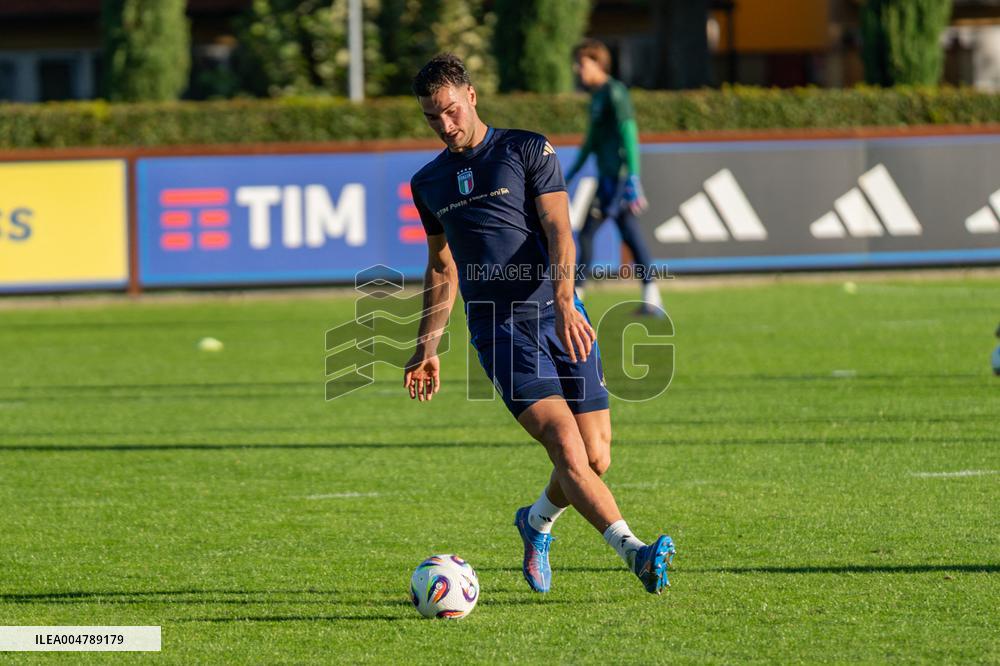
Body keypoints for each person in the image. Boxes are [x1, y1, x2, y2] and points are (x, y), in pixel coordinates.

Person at [403, 53, 674, 595]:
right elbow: (441, 267)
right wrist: (426, 346)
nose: (445, 125)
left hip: (560, 315)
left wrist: (567, 302)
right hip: (499, 330)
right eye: (433, 117)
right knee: (566, 446)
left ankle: (536, 521)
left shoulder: (527, 149)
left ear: (472, 96)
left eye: (452, 110)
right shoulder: (427, 182)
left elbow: (559, 230)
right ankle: (636, 553)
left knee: (596, 456)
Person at [565, 39, 664, 316]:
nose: (577, 69)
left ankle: (576, 295)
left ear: (598, 63)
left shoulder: (615, 92)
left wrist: (633, 177)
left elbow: (628, 132)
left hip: (618, 180)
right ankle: (652, 297)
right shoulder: (597, 96)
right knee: (629, 234)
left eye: (582, 63)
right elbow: (592, 141)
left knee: (588, 232)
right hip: (607, 177)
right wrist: (569, 174)